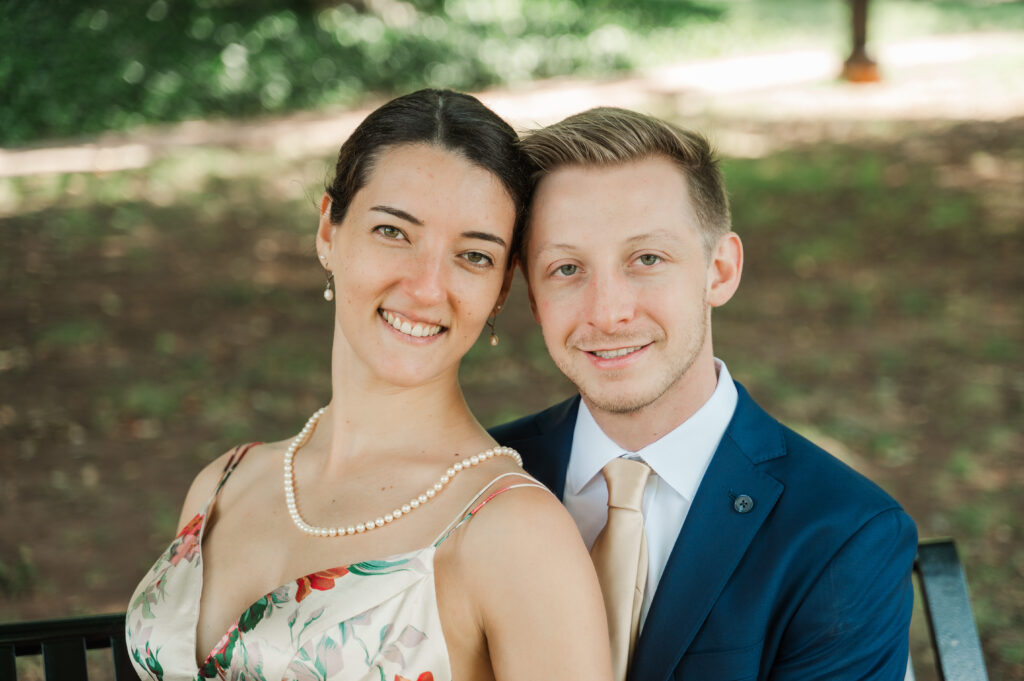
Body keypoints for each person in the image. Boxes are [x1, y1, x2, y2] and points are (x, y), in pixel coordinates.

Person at [125, 90, 612, 681]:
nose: (428, 288)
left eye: (474, 256)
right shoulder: (224, 482)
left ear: (502, 290)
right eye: (393, 232)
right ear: (329, 231)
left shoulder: (515, 534)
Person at [492, 107, 918, 681]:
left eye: (647, 259)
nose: (608, 312)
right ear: (534, 298)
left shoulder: (842, 533)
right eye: (567, 268)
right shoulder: (479, 480)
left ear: (719, 271)